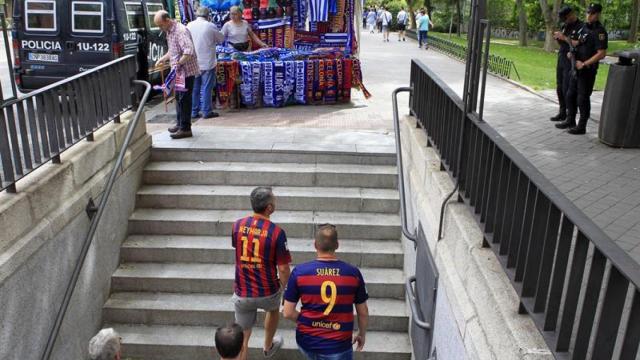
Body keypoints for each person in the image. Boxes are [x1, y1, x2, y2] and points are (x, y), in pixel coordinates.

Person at [283, 224, 370, 360]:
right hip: (339, 345)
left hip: (307, 341)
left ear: (315, 245)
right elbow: (363, 312)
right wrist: (362, 334)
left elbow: (287, 312)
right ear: (337, 245)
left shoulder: (299, 273)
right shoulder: (353, 274)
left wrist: (308, 322)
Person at [231, 187, 292, 360]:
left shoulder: (237, 225)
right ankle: (267, 346)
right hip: (268, 290)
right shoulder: (277, 233)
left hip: (242, 291)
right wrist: (284, 287)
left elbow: (239, 248)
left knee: (242, 340)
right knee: (273, 310)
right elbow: (283, 268)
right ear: (269, 208)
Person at [557, 3, 608, 135]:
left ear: (597, 14)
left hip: (587, 69)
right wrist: (572, 52)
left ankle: (582, 126)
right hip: (575, 66)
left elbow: (601, 53)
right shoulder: (583, 28)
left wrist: (584, 64)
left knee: (582, 98)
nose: (588, 16)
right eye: (587, 13)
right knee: (569, 94)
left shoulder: (600, 31)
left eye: (591, 13)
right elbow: (577, 43)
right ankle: (570, 120)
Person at [154, 10, 200, 140]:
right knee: (179, 98)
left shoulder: (180, 30)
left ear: (167, 20)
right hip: (179, 72)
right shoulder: (170, 31)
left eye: (160, 25)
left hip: (186, 71)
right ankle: (180, 124)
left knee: (184, 99)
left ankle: (185, 128)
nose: (160, 28)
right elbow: (173, 50)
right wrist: (163, 58)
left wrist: (179, 64)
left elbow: (188, 50)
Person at [187, 7, 225, 120]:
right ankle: (206, 111)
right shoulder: (210, 26)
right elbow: (221, 39)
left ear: (196, 15)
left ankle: (194, 111)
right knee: (207, 87)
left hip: (193, 61)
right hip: (207, 62)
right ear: (208, 16)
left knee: (195, 88)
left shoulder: (189, 25)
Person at [550, 6, 582, 123]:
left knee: (567, 89)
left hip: (571, 60)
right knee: (559, 87)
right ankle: (562, 112)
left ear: (571, 14)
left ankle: (570, 116)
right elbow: (563, 43)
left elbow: (578, 43)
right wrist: (558, 38)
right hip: (562, 58)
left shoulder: (580, 27)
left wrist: (563, 37)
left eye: (565, 18)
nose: (564, 21)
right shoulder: (565, 26)